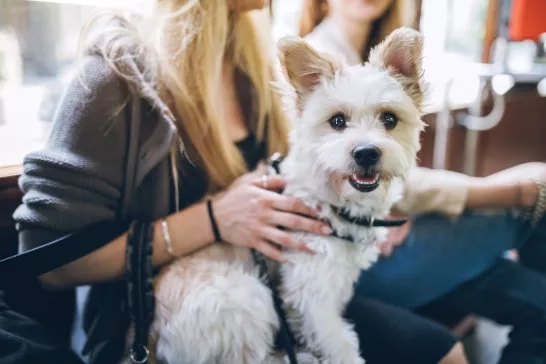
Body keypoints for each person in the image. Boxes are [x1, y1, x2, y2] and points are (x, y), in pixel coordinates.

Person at [10, 0, 467, 363]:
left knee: (445, 350)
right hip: (155, 322)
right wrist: (212, 219)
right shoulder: (113, 75)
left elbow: (311, 172)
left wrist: (367, 204)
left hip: (278, 283)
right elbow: (48, 264)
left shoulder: (257, 69)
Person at [302, 0, 546, 363]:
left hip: (391, 230)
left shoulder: (382, 53)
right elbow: (340, 174)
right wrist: (513, 190)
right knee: (534, 199)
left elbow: (396, 177)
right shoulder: (314, 64)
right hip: (351, 257)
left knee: (541, 302)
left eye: (387, 118)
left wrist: (396, 201)